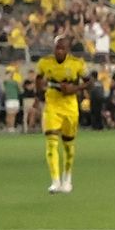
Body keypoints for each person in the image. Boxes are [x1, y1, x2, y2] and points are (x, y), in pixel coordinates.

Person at [38, 35, 88, 193]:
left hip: (70, 106)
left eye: (62, 48)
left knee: (68, 145)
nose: (59, 51)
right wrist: (39, 92)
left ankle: (67, 178)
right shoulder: (45, 62)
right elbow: (38, 78)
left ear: (68, 50)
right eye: (57, 48)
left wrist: (75, 89)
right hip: (52, 104)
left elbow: (90, 82)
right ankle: (55, 181)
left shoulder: (77, 64)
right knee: (51, 142)